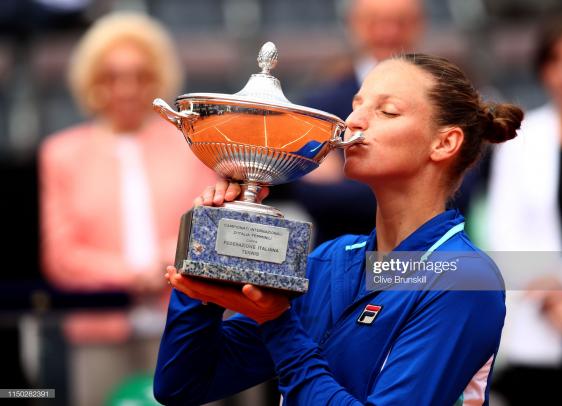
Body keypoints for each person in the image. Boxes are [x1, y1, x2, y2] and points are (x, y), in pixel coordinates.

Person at [154, 53, 524, 405]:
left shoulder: (463, 278)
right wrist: (203, 260)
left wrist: (278, 323)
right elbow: (182, 385)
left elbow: (284, 338)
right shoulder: (330, 261)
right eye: (357, 104)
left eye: (387, 111)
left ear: (444, 143)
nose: (353, 122)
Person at [39, 12, 216, 405]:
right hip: (99, 327)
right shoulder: (61, 153)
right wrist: (131, 275)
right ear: (92, 83)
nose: (126, 89)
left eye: (140, 76)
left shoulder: (192, 147)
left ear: (158, 81)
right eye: (112, 77)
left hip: (181, 320)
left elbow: (207, 227)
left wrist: (161, 265)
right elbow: (61, 254)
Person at [487, 18, 562, 405]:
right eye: (561, 62)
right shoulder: (521, 141)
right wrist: (552, 296)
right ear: (545, 70)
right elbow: (503, 228)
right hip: (542, 320)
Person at [293, 0, 425, 245]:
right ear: (353, 25)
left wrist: (345, 178)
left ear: (419, 25)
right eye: (375, 22)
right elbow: (314, 197)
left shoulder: (446, 99)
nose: (388, 32)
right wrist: (413, 178)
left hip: (424, 263)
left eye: (400, 22)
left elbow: (457, 193)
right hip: (340, 264)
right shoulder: (319, 105)